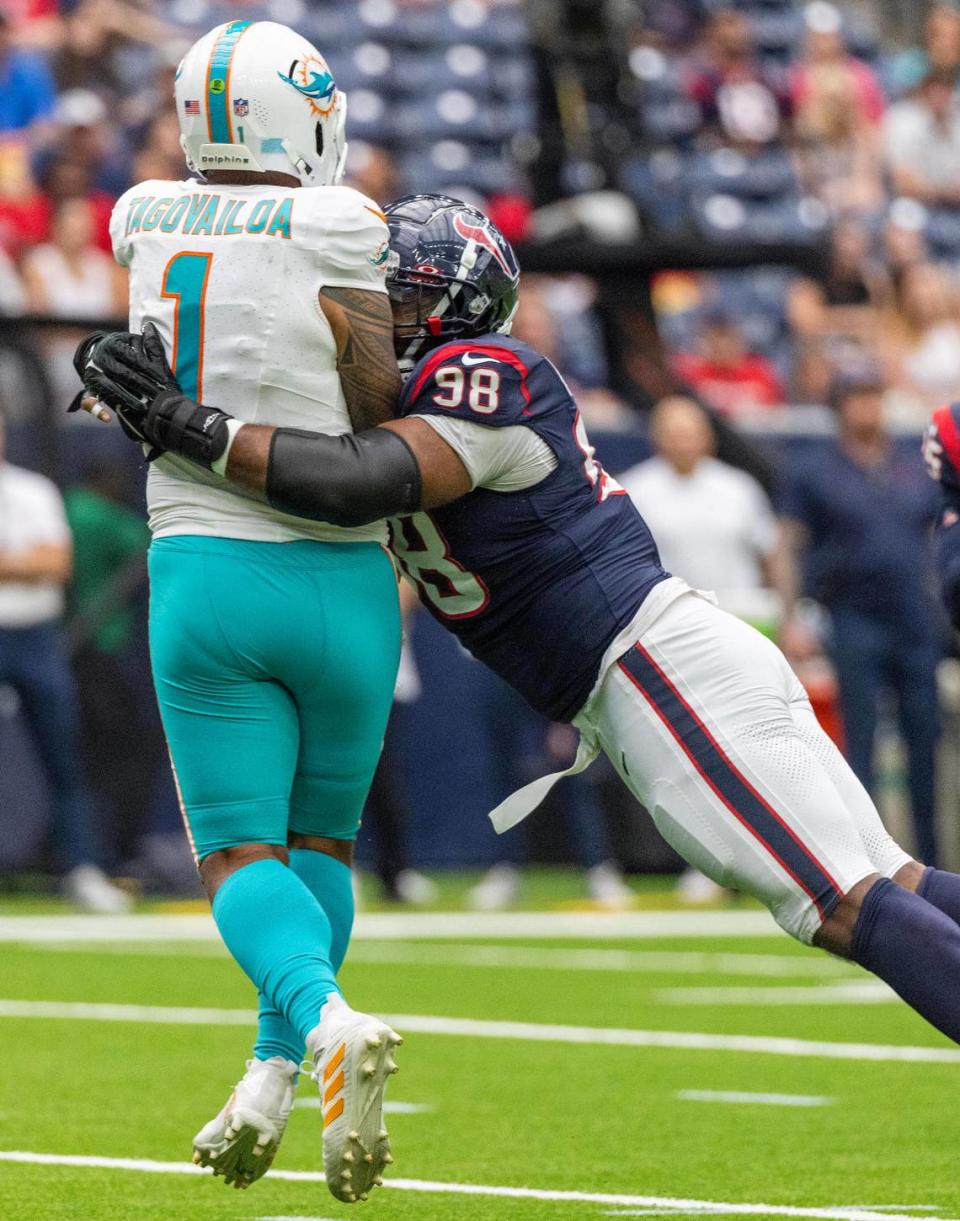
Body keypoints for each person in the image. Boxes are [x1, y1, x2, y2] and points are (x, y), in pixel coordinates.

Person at [83, 196, 960, 1118]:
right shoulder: (425, 380)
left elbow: (358, 480)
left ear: (451, 307)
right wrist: (156, 380)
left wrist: (190, 424)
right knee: (896, 881)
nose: (371, 310)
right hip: (662, 665)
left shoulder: (485, 373)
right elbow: (306, 408)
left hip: (650, 665)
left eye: (395, 295)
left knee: (841, 903)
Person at [79, 20, 406, 1204]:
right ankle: (276, 1074)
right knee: (319, 846)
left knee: (236, 853)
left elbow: (137, 373)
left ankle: (314, 1032)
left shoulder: (142, 215)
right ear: (307, 112)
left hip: (212, 568)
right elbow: (377, 402)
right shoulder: (342, 221)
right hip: (351, 572)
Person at [780, 364, 943, 867]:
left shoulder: (913, 464)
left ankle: (931, 857)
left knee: (925, 739)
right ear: (838, 407)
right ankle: (867, 859)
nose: (866, 407)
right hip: (851, 615)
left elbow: (939, 533)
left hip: (915, 618)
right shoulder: (814, 469)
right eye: (856, 397)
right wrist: (791, 615)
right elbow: (789, 542)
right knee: (860, 741)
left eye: (873, 396)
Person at [0, 412, 129, 913]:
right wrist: (21, 562)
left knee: (63, 754)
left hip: (33, 637)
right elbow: (37, 561)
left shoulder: (33, 490)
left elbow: (55, 564)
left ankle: (84, 868)